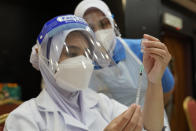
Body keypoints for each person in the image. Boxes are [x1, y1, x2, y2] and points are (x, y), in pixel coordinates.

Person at [4, 15, 171, 131]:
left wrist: (154, 81)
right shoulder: (25, 118)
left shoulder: (102, 104)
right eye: (72, 53)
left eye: (87, 54)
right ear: (48, 60)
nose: (83, 63)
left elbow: (151, 127)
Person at [74, 0, 175, 106]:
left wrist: (149, 117)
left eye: (104, 24)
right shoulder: (79, 65)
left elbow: (167, 89)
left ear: (113, 23)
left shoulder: (141, 50)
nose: (98, 33)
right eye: (90, 28)